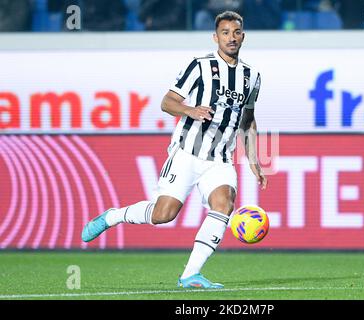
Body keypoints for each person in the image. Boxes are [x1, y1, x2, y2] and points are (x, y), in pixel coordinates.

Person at [81, 11, 267, 289]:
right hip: (186, 154)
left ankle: (190, 275)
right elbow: (167, 102)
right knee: (163, 215)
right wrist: (191, 110)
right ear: (216, 37)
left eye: (236, 32)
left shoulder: (252, 77)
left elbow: (247, 119)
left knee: (224, 204)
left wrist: (254, 159)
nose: (232, 37)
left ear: (243, 36)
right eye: (225, 33)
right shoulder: (200, 66)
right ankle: (112, 216)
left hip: (221, 159)